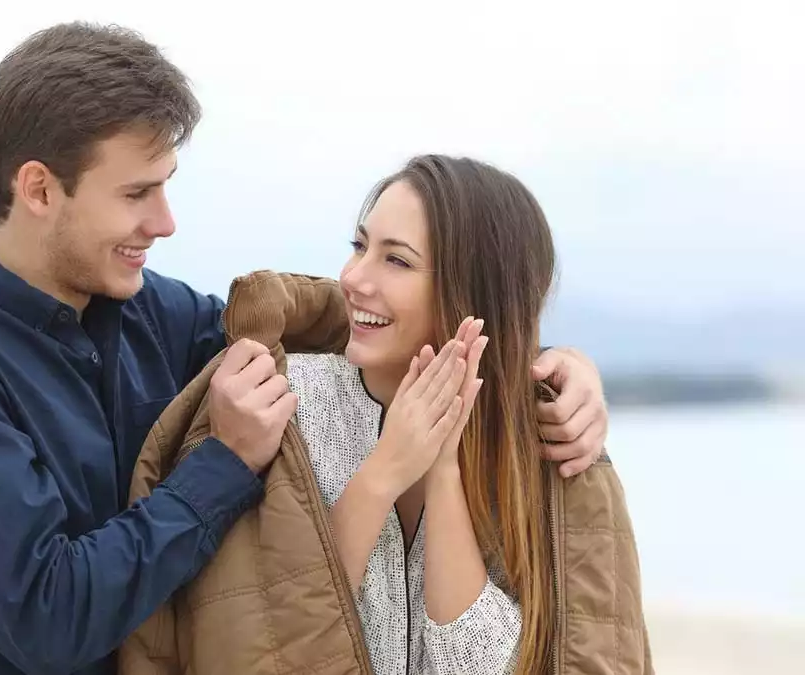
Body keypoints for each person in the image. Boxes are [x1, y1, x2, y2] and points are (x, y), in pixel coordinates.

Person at [0, 22, 614, 675]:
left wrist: (541, 364)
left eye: (166, 185)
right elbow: (48, 616)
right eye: (136, 193)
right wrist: (225, 465)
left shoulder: (150, 312)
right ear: (41, 190)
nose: (166, 221)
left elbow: (338, 321)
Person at [118, 156, 649, 675]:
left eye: (395, 260)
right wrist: (382, 475)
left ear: (472, 291)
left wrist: (442, 469)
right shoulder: (278, 405)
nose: (352, 277)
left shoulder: (549, 446)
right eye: (360, 246)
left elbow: (479, 665)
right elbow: (261, 648)